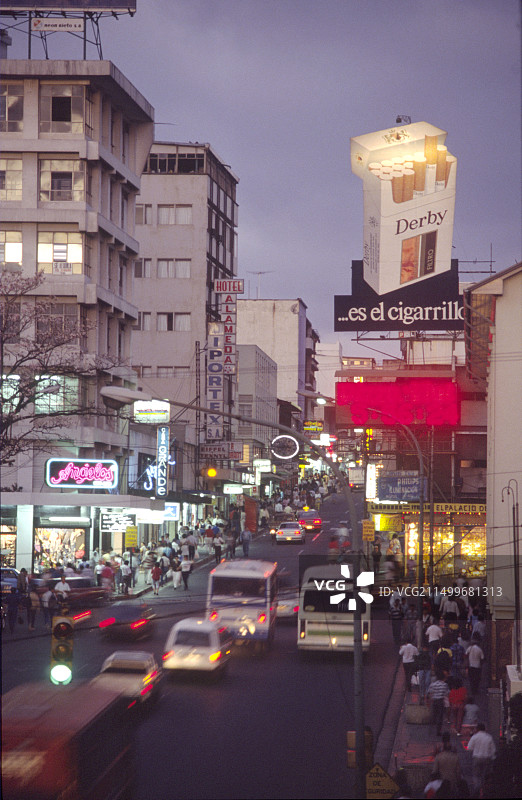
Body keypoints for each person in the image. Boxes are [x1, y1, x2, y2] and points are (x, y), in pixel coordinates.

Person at [467, 722, 496, 796]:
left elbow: (469, 748)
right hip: (486, 758)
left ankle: (477, 787)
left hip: (477, 758)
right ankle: (483, 790)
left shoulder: (475, 737)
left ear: (478, 729)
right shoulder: (489, 737)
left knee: (476, 775)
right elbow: (493, 750)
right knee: (484, 774)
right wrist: (492, 758)